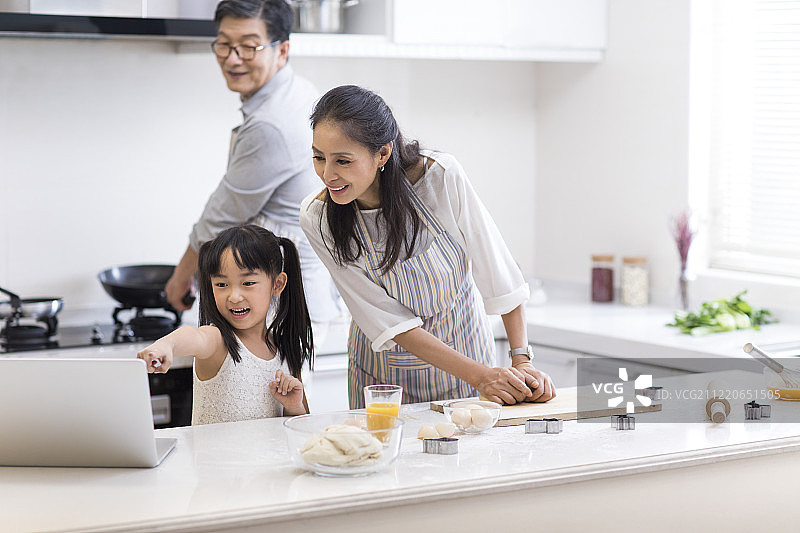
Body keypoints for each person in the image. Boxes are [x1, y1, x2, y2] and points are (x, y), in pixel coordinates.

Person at [300, 85, 556, 408]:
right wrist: (481, 376)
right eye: (319, 158)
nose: (327, 174)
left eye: (343, 161)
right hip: (383, 381)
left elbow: (499, 274)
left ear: (382, 154)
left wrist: (521, 361)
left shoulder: (440, 178)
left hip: (468, 357)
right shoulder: (317, 217)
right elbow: (388, 321)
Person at [164, 0, 341, 345]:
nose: (233, 58)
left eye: (248, 46)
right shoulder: (297, 92)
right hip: (292, 297)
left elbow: (222, 215)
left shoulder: (271, 123)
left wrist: (181, 276)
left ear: (282, 50)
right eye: (224, 44)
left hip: (278, 309)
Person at [138, 225, 313, 424]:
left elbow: (301, 429)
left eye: (248, 283)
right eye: (221, 285)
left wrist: (293, 406)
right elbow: (193, 336)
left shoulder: (286, 349)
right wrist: (166, 345)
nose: (234, 297)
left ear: (277, 284)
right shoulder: (219, 341)